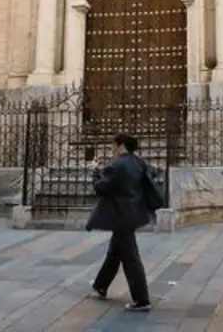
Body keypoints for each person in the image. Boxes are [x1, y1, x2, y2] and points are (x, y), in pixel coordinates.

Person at [87, 133, 159, 312]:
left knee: (130, 257)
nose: (113, 149)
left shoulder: (118, 165)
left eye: (114, 145)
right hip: (134, 212)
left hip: (121, 215)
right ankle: (100, 285)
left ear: (120, 145)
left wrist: (95, 171)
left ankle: (141, 299)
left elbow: (101, 188)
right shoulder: (138, 162)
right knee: (115, 252)